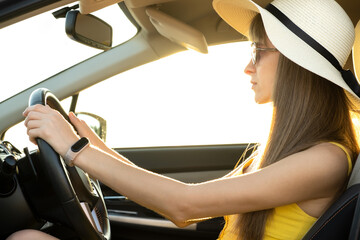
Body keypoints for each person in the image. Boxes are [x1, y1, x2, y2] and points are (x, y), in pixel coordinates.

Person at [7, 0, 360, 239]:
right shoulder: (285, 153)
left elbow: (185, 205)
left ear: (297, 67)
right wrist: (94, 146)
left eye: (259, 51)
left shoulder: (325, 159)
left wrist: (75, 150)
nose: (248, 66)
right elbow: (183, 201)